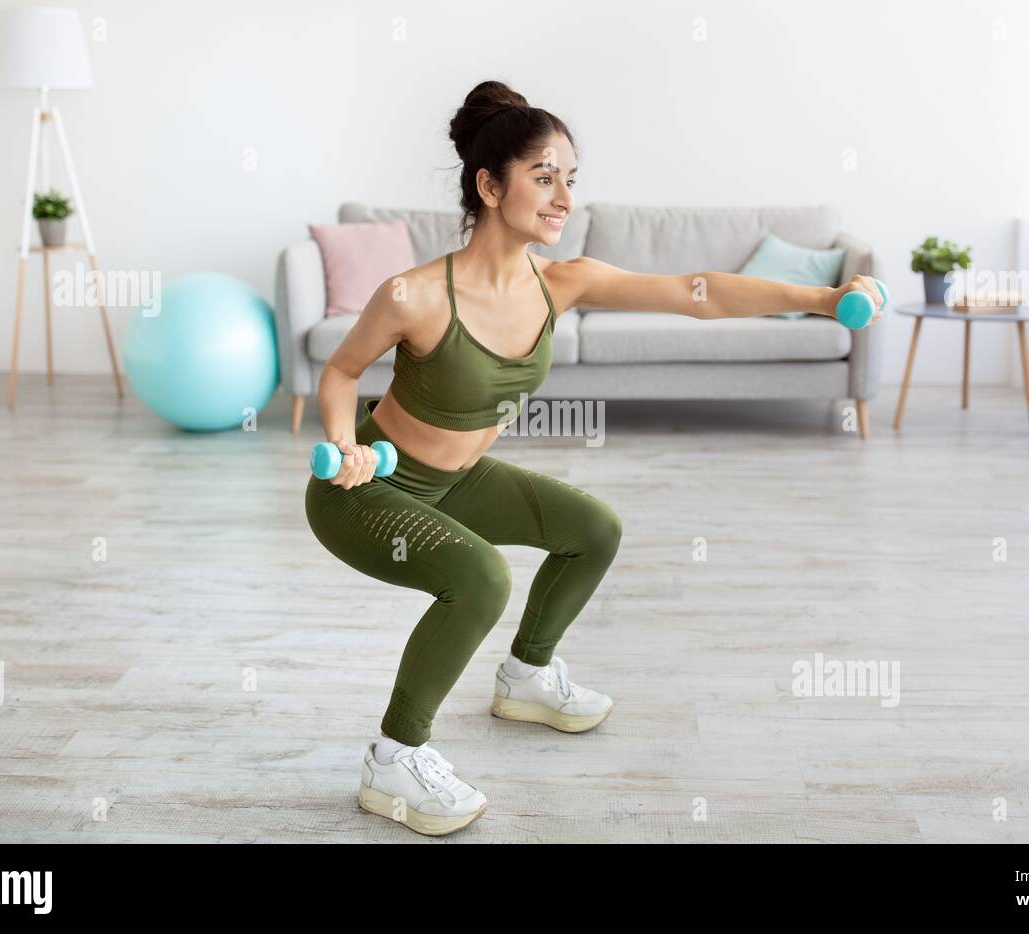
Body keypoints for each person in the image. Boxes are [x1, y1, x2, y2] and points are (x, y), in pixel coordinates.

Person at [304, 80, 885, 836]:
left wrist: (821, 298)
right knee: (481, 578)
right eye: (544, 176)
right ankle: (393, 760)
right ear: (489, 185)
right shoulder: (414, 295)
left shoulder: (562, 281)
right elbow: (341, 370)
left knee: (592, 529)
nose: (562, 197)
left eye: (570, 179)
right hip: (366, 493)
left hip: (454, 482)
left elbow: (696, 292)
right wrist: (347, 445)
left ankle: (525, 677)